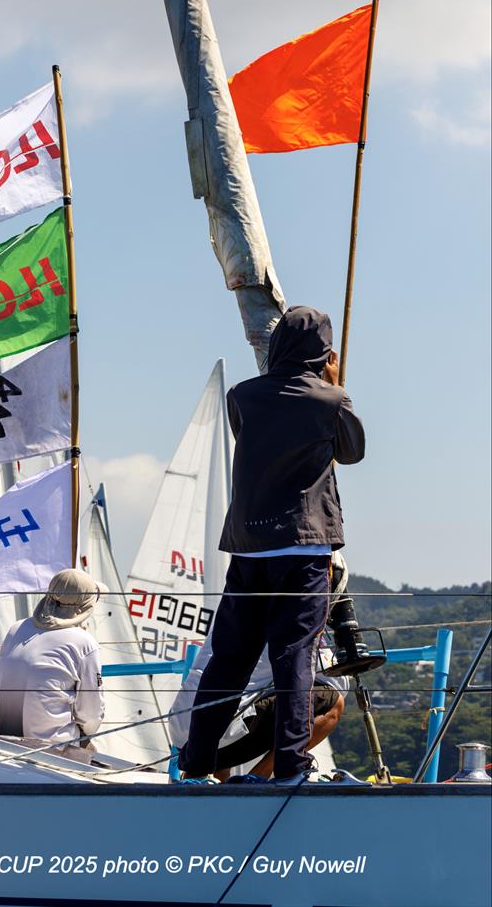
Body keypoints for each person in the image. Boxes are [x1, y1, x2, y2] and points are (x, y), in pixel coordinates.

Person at [178, 306, 365, 785]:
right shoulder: (330, 399)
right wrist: (335, 382)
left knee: (230, 659)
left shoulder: (242, 396)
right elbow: (352, 451)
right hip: (302, 549)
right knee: (294, 658)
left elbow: (252, 437)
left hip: (248, 547)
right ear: (323, 352)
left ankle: (195, 762)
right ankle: (292, 767)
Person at [169, 635, 349, 781]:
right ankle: (258, 776)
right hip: (224, 735)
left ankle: (205, 778)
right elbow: (337, 682)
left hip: (182, 737)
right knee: (334, 702)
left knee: (241, 692)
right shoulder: (294, 616)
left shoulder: (236, 608)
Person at [0, 569, 107, 758]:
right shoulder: (84, 642)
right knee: (88, 741)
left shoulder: (16, 629)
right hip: (47, 752)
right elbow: (91, 716)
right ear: (85, 607)